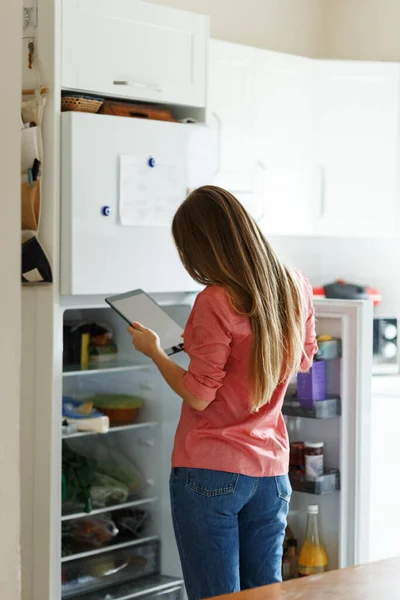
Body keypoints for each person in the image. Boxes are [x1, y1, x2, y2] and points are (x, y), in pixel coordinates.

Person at [128, 185, 317, 600]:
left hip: (210, 472)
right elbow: (303, 359)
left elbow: (198, 396)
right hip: (271, 473)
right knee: (262, 594)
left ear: (203, 248)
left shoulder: (215, 299)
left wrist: (155, 352)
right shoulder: (295, 284)